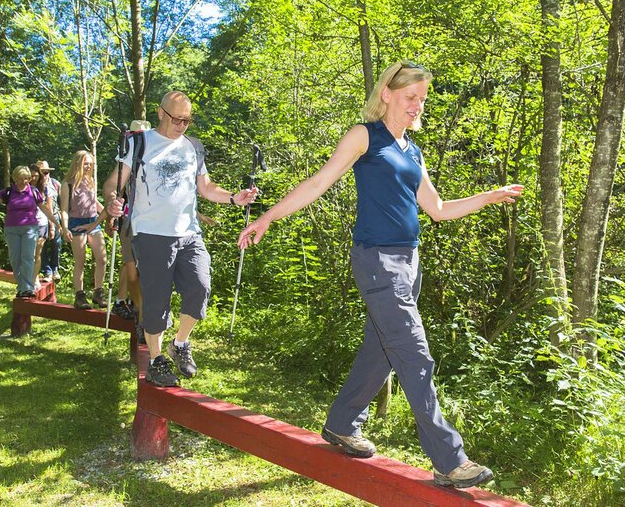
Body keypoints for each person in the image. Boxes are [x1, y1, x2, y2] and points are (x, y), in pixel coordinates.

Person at [237, 61, 524, 489]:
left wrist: (489, 196)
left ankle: (341, 424)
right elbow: (318, 183)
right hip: (377, 260)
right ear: (387, 93)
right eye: (411, 97)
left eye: (422, 99)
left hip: (410, 261)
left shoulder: (412, 150)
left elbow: (438, 210)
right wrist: (268, 217)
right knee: (413, 353)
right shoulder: (364, 136)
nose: (417, 106)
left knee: (383, 353)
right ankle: (450, 459)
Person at [105, 91, 258, 387]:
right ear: (160, 112)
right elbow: (114, 182)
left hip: (188, 233)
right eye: (177, 119)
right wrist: (112, 199)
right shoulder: (139, 143)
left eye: (187, 120)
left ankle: (180, 344)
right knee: (157, 301)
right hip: (151, 233)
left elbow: (207, 188)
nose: (182, 125)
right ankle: (157, 360)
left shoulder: (193, 147)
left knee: (200, 287)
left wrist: (234, 199)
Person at [0, 165, 61, 298]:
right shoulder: (8, 192)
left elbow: (45, 208)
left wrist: (56, 223)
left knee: (27, 258)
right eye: (20, 179)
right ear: (14, 178)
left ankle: (27, 288)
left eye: (26, 178)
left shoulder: (33, 192)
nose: (24, 181)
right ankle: (22, 287)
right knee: (15, 259)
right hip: (12, 230)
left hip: (30, 229)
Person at [59, 150, 108, 310]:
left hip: (93, 222)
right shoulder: (67, 184)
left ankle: (98, 293)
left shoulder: (91, 181)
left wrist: (108, 213)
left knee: (102, 258)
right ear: (77, 163)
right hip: (76, 223)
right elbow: (64, 209)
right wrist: (65, 227)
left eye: (90, 164)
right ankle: (79, 295)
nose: (88, 167)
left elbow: (94, 203)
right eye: (85, 163)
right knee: (80, 261)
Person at [37, 160, 63, 282]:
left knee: (56, 244)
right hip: (40, 218)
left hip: (55, 216)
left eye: (47, 172)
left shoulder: (56, 184)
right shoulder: (36, 185)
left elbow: (62, 204)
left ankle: (55, 268)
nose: (45, 175)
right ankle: (47, 270)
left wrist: (62, 222)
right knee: (41, 245)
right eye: (43, 172)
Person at [28, 163, 53, 287]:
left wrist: (52, 226)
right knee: (29, 254)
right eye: (31, 176)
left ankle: (35, 278)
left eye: (36, 176)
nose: (33, 178)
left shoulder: (45, 189)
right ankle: (29, 279)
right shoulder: (22, 188)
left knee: (37, 253)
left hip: (42, 223)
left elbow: (49, 208)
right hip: (27, 224)